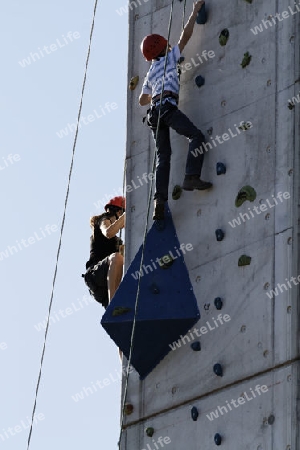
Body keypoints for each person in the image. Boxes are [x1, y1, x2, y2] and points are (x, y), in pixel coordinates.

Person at [139, 0, 212, 220]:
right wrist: (194, 11)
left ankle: (159, 200)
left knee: (164, 156)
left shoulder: (150, 72)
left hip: (154, 113)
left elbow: (142, 100)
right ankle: (191, 175)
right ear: (163, 47)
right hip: (167, 107)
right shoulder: (170, 57)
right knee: (196, 136)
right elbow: (186, 36)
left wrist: (156, 92)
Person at [83, 196, 125, 309]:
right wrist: (126, 216)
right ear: (119, 212)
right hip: (95, 276)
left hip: (105, 288)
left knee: (120, 258)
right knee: (117, 258)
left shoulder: (117, 241)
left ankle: (114, 306)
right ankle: (113, 304)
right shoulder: (103, 220)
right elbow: (108, 232)